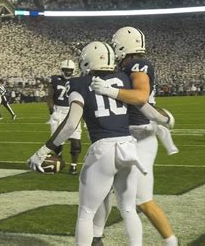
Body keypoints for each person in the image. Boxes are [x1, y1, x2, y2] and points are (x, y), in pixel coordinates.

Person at [27, 42, 144, 246]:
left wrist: (44, 150)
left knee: (86, 212)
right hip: (128, 146)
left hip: (104, 149)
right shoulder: (124, 78)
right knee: (128, 208)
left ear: (88, 59)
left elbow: (71, 123)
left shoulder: (80, 83)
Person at [90, 27, 178, 245]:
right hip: (122, 136)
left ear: (121, 45)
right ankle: (96, 237)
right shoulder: (122, 67)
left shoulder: (138, 65)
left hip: (140, 138)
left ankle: (171, 242)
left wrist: (109, 91)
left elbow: (140, 96)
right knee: (102, 190)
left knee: (142, 200)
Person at [47, 60, 82, 175]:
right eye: (66, 70)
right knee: (57, 142)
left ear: (73, 71)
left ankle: (73, 166)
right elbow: (50, 97)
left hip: (73, 111)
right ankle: (58, 160)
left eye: (70, 70)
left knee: (76, 142)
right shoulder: (55, 80)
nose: (68, 72)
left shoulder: (77, 81)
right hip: (58, 110)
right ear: (62, 70)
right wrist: (52, 111)